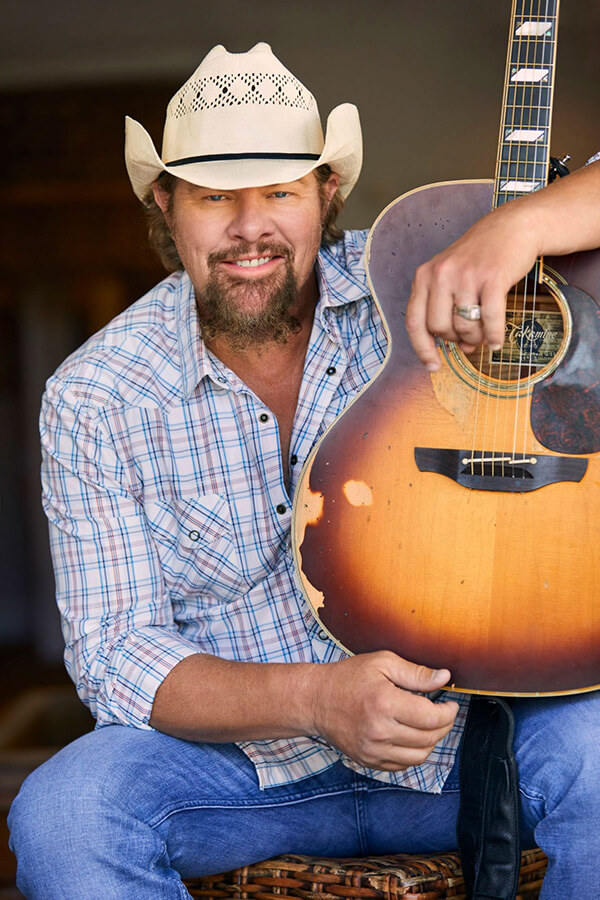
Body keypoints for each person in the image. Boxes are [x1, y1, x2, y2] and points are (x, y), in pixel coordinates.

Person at [7, 42, 600, 900]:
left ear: (326, 194)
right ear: (163, 204)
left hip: (478, 743)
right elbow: (115, 653)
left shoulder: (421, 277)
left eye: (280, 191)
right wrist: (321, 700)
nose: (251, 227)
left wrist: (521, 223)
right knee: (66, 811)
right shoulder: (95, 393)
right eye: (214, 197)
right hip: (236, 777)